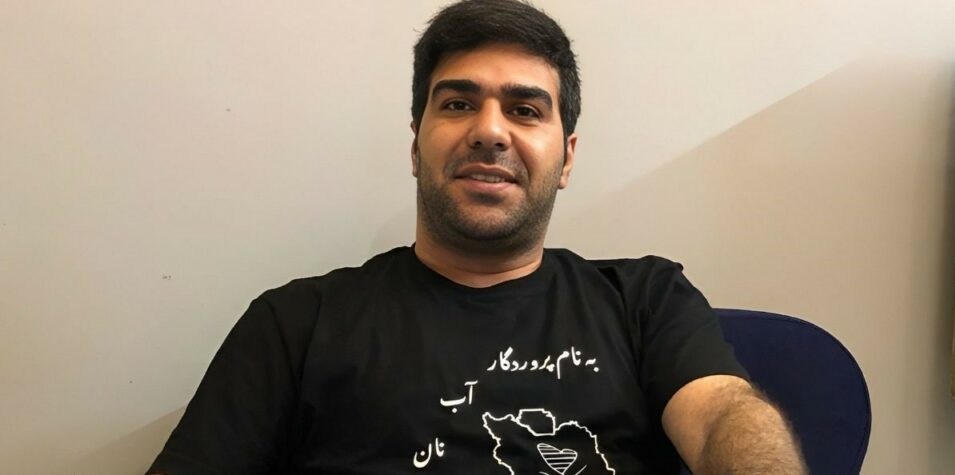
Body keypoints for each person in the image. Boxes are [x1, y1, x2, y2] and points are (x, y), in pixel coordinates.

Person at [148, 0, 807, 473]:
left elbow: (721, 413)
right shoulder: (295, 323)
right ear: (417, 146)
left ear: (567, 157)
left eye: (525, 110)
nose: (490, 131)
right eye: (459, 103)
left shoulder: (646, 299)